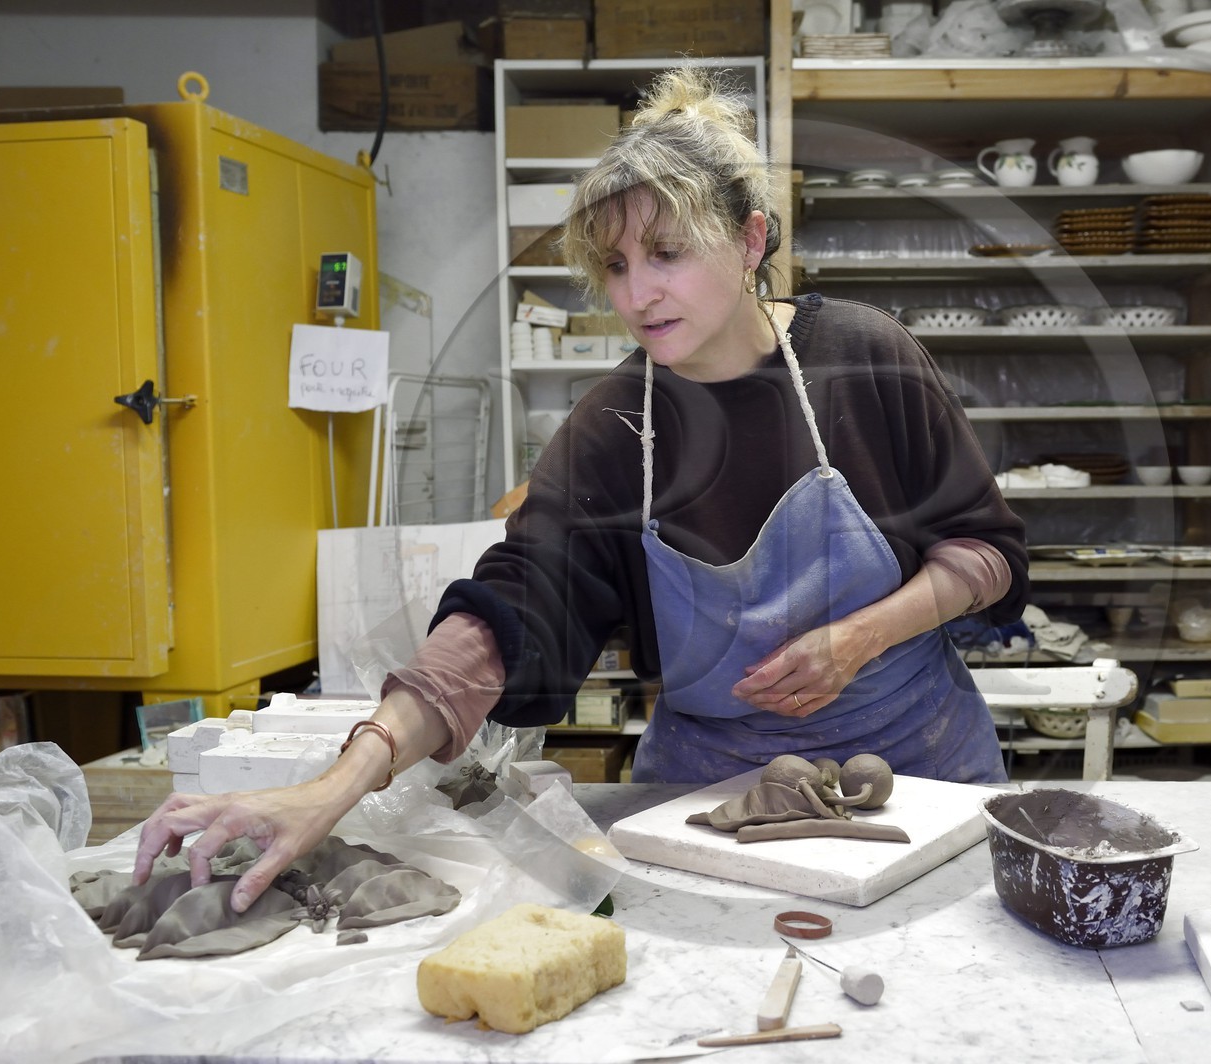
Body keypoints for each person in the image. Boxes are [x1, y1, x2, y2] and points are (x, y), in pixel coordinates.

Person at [134, 68, 1030, 913]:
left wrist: (863, 636)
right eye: (614, 265)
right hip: (712, 800)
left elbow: (984, 551)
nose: (638, 294)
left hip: (918, 777)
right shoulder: (614, 429)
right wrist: (335, 783)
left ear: (751, 239)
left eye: (667, 253)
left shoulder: (864, 358)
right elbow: (514, 607)